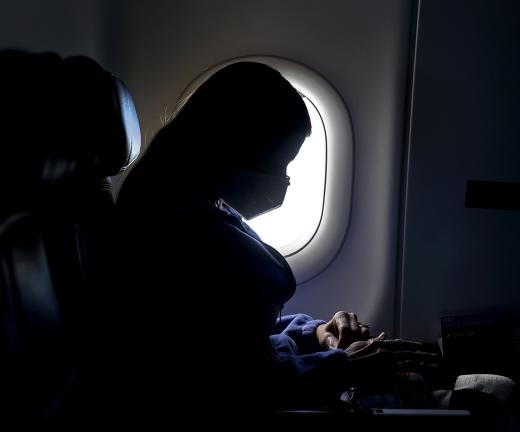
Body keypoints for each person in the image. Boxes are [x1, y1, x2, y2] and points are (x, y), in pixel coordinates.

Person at [112, 62, 436, 418]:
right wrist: (343, 365)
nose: (283, 182)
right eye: (278, 164)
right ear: (230, 148)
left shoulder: (198, 204)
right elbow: (220, 383)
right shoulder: (168, 230)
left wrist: (316, 332)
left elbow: (233, 338)